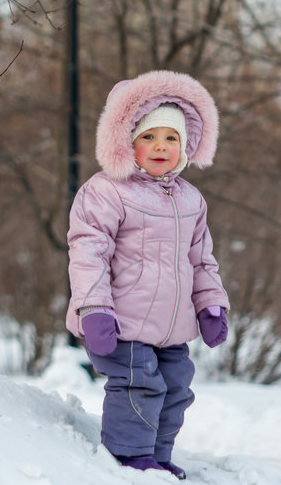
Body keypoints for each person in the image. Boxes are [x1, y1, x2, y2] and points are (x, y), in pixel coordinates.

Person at [66, 70, 230, 480]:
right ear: (128, 143)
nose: (161, 146)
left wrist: (211, 304)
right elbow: (89, 251)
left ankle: (156, 456)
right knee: (140, 385)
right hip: (121, 323)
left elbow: (202, 259)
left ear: (186, 146)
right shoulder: (107, 191)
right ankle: (128, 457)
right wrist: (95, 308)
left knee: (176, 388)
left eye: (171, 138)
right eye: (149, 137)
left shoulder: (191, 199)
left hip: (172, 328)